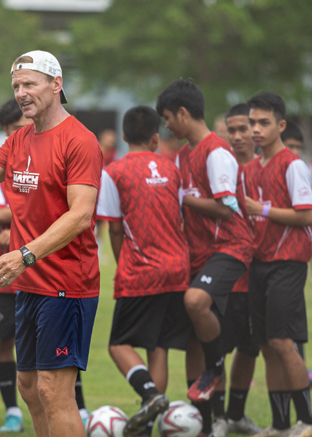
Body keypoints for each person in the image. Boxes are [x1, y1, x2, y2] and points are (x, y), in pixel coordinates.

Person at [0, 50, 102, 437]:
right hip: (29, 282)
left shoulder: (80, 140)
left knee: (54, 390)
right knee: (30, 388)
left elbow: (80, 215)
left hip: (67, 283)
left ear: (56, 85)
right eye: (16, 86)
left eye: (29, 84)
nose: (21, 93)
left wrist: (25, 254)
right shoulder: (19, 140)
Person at [157, 80, 253, 436]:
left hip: (229, 248)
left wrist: (180, 198)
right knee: (193, 340)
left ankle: (216, 366)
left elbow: (226, 208)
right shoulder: (184, 154)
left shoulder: (217, 152)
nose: (167, 125)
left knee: (195, 302)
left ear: (183, 113)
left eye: (168, 118)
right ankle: (205, 426)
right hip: (197, 255)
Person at [97, 106, 190, 437]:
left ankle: (151, 396)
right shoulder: (172, 168)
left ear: (123, 136)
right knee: (158, 345)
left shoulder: (114, 171)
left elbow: (115, 227)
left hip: (143, 270)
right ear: (155, 137)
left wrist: (124, 263)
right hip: (178, 267)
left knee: (118, 344)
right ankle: (149, 422)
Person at [243, 92, 312, 437]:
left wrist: (264, 210)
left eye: (263, 123)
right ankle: (281, 424)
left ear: (281, 126)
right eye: (252, 122)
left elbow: (307, 215)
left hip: (288, 262)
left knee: (284, 341)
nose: (255, 129)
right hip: (259, 263)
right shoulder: (252, 168)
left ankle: (307, 421)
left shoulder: (293, 165)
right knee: (268, 345)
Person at [208, 103, 263, 437]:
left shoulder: (265, 170)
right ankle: (217, 417)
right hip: (226, 277)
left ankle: (237, 414)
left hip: (260, 276)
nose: (240, 135)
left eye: (246, 128)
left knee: (249, 347)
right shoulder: (221, 170)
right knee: (216, 350)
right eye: (234, 129)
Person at [0, 98, 31, 433]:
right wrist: (25, 219)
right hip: (5, 275)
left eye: (27, 125)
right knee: (4, 342)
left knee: (54, 343)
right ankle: (13, 411)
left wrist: (16, 227)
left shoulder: (46, 158)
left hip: (42, 270)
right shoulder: (3, 163)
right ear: (5, 131)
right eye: (17, 128)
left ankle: (79, 407)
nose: (24, 132)